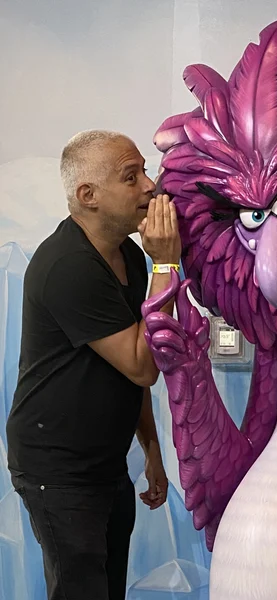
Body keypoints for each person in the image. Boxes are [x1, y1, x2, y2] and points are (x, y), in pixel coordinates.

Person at [5, 130, 182, 600]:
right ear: (88, 195)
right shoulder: (68, 266)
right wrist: (167, 266)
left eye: (145, 171)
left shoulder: (128, 255)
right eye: (131, 177)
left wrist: (151, 449)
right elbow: (143, 365)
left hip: (103, 461)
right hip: (58, 470)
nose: (150, 186)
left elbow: (132, 369)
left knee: (107, 589)